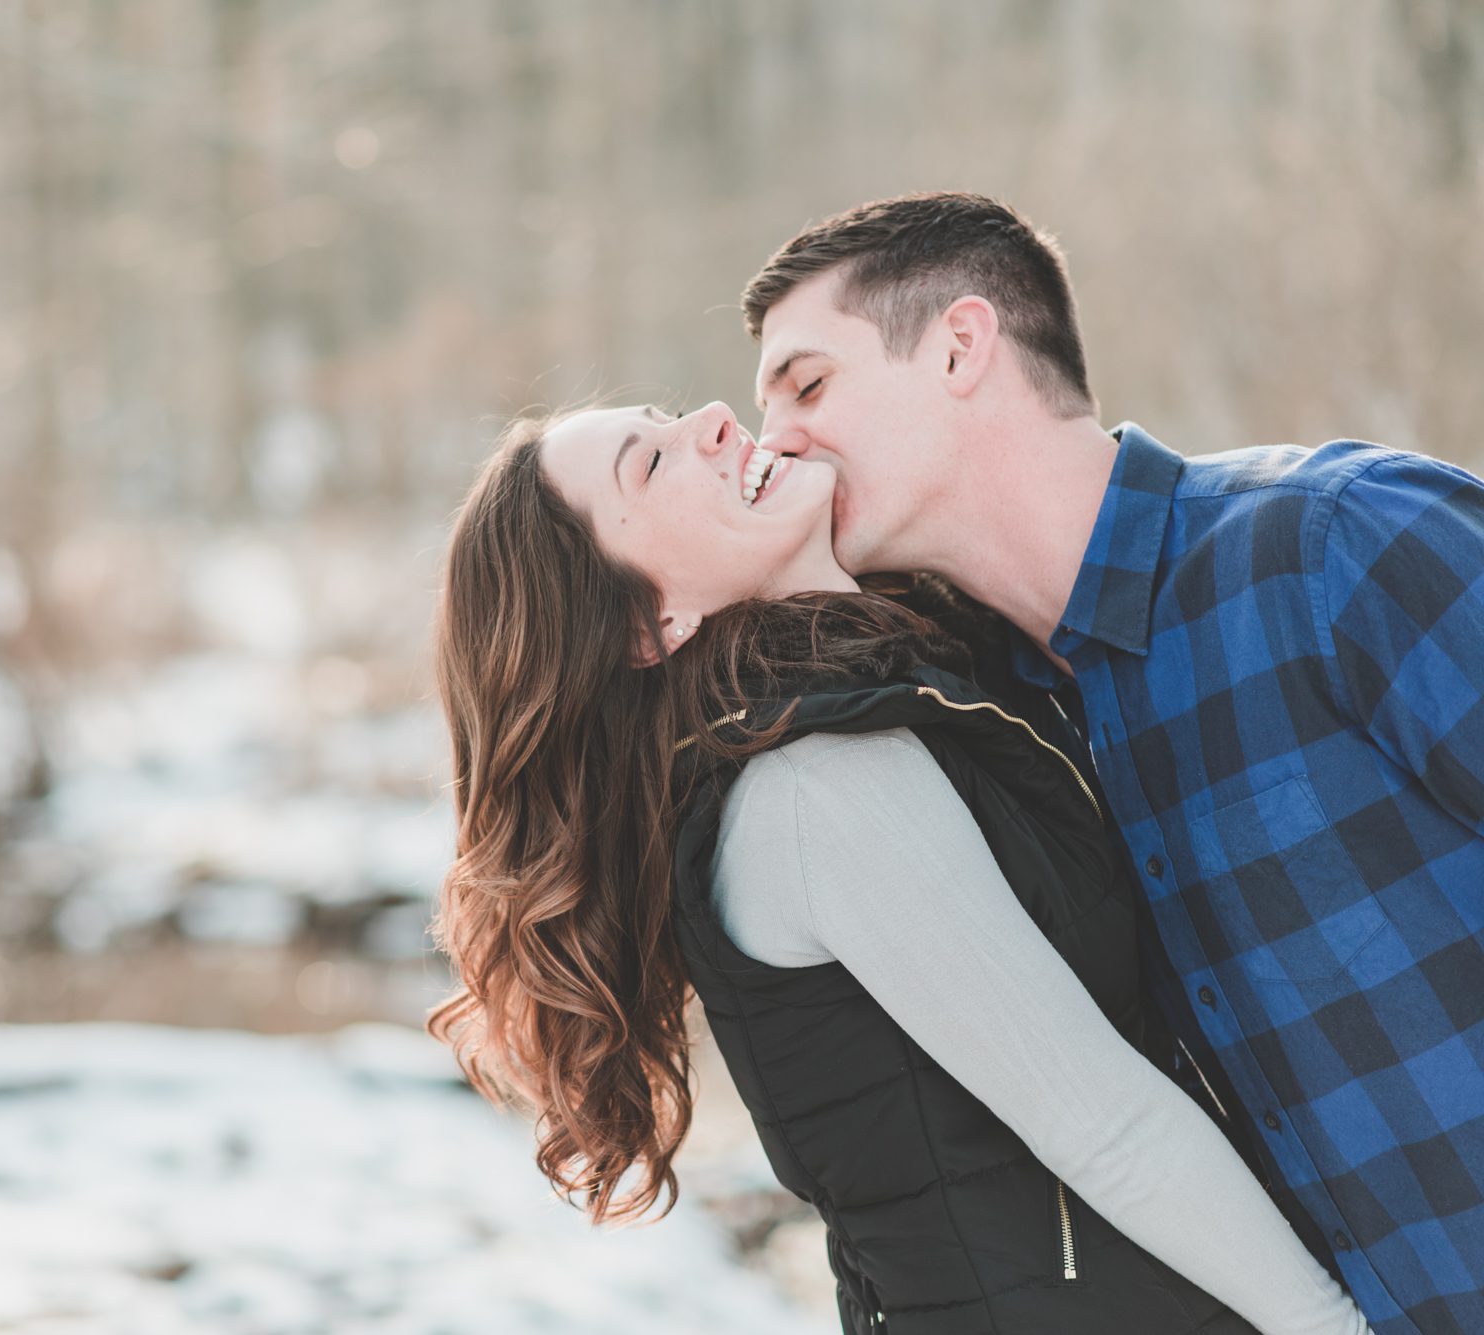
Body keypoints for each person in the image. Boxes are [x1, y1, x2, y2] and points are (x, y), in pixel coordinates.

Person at [427, 397, 1369, 1333]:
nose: (713, 418)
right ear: (651, 626)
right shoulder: (816, 786)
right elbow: (1103, 1121)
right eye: (652, 463)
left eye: (667, 416)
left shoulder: (907, 688)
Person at [741, 191, 1484, 1335]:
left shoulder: (1334, 549)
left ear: (958, 347)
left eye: (806, 384)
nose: (776, 438)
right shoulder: (982, 731)